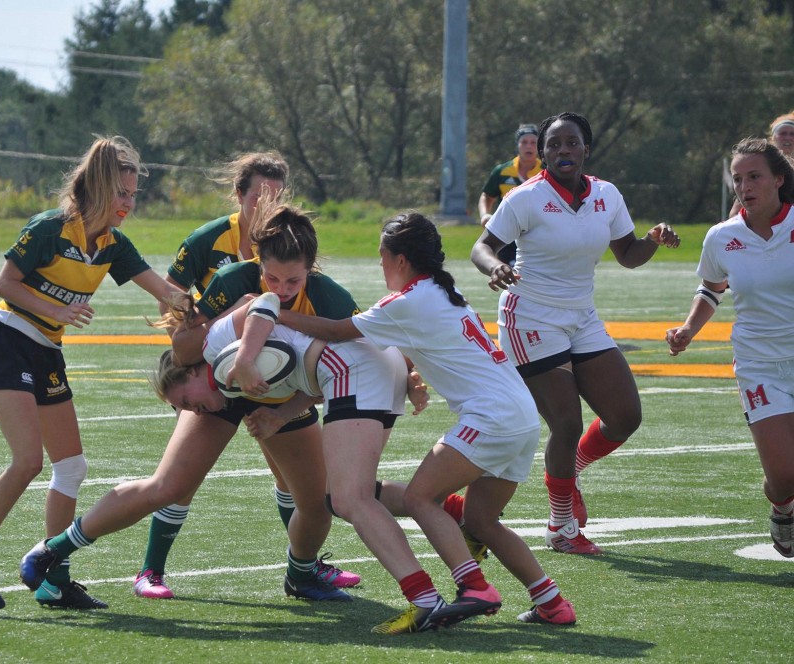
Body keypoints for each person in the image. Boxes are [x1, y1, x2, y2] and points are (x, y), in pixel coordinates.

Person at [18, 201, 368, 607]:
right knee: (170, 485)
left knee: (317, 503)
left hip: (281, 400)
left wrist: (282, 413)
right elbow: (183, 349)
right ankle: (54, 550)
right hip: (219, 390)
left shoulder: (328, 296)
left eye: (292, 281)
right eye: (271, 277)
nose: (281, 289)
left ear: (310, 268)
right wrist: (238, 327)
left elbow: (346, 370)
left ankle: (301, 573)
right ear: (257, 261)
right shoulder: (235, 279)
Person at [280, 212, 576, 629]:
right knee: (481, 521)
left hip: (491, 415)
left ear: (400, 260)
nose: (379, 264)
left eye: (382, 256)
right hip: (519, 416)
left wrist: (270, 313)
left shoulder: (408, 301)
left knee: (422, 497)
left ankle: (474, 586)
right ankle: (552, 603)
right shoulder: (437, 290)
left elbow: (336, 330)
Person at [153, 291, 497, 633]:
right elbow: (309, 364)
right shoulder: (229, 372)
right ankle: (468, 564)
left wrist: (244, 360)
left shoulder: (219, 349)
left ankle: (425, 599)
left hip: (352, 370)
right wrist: (279, 416)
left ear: (193, 368)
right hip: (375, 366)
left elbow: (261, 302)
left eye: (185, 401)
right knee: (340, 493)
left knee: (348, 499)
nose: (191, 412)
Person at [0, 135, 182, 610]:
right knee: (27, 461)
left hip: (46, 350)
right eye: (122, 193)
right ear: (97, 188)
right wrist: (57, 306)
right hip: (7, 340)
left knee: (72, 466)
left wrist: (223, 310)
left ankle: (54, 576)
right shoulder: (50, 228)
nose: (129, 203)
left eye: (133, 195)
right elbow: (5, 284)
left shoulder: (115, 246)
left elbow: (165, 291)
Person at [135, 152, 359, 600]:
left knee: (296, 482)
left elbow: (345, 342)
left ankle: (306, 566)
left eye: (277, 196)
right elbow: (174, 298)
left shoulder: (289, 252)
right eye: (260, 195)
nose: (269, 205)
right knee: (181, 477)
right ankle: (150, 570)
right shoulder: (215, 244)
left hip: (276, 380)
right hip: (219, 375)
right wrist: (194, 353)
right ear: (240, 195)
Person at [470, 112, 680, 556]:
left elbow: (627, 254)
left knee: (626, 417)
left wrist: (653, 239)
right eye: (554, 145)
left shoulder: (607, 194)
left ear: (587, 148)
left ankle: (572, 468)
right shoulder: (526, 197)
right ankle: (560, 527)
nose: (563, 151)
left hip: (581, 316)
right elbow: (482, 246)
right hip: (530, 318)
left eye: (572, 143)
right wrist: (496, 267)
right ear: (543, 153)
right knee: (566, 424)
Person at [667, 137, 794, 558]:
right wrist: (688, 328)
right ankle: (782, 506)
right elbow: (710, 287)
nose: (744, 186)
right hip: (759, 365)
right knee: (783, 475)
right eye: (738, 179)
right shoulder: (722, 237)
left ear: (779, 179)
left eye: (754, 176)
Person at [477, 123, 544, 266]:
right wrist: (484, 215)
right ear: (517, 145)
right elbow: (487, 196)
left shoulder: (547, 171)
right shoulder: (502, 171)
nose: (529, 146)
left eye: (533, 142)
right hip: (506, 233)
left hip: (537, 233)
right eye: (524, 142)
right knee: (509, 274)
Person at [726, 112, 794, 217]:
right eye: (783, 133)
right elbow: (734, 215)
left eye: (792, 134)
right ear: (773, 138)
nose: (788, 137)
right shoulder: (757, 165)